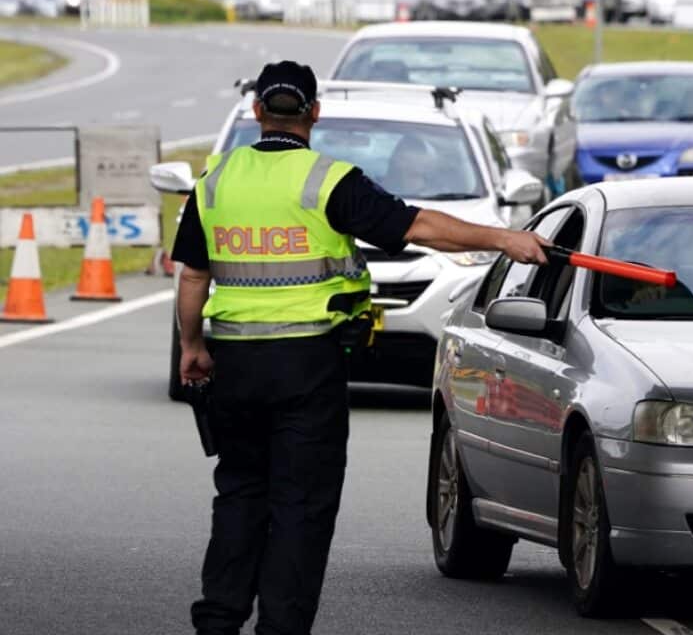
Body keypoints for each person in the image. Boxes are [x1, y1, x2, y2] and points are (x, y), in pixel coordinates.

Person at [171, 61, 548, 635]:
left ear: (257, 114)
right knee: (300, 506)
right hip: (307, 367)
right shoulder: (328, 180)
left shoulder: (216, 181)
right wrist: (504, 238)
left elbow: (193, 277)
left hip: (235, 365)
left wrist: (192, 346)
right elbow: (417, 227)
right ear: (313, 113)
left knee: (240, 494)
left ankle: (218, 620)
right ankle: (282, 628)